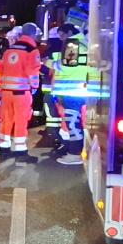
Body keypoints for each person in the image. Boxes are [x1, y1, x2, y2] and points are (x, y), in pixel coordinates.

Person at [0, 22, 42, 163]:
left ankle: (4, 149)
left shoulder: (9, 50)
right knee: (21, 120)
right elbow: (33, 72)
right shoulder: (31, 50)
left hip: (6, 91)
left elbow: (2, 69)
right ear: (33, 34)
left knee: (6, 119)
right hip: (21, 92)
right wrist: (35, 87)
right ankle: (21, 151)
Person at [50, 23, 88, 165]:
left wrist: (50, 63)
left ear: (70, 32)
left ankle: (75, 154)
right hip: (80, 90)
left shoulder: (73, 43)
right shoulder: (84, 42)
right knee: (76, 123)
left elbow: (66, 66)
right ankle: (78, 151)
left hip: (72, 91)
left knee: (72, 123)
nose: (61, 39)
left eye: (62, 35)